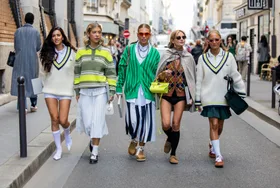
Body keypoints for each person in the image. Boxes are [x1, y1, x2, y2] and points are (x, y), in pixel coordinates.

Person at [195, 29, 246, 168]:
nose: (214, 42)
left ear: (220, 40)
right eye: (211, 40)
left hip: (224, 97)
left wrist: (241, 91)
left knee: (220, 125)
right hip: (208, 97)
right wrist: (197, 99)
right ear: (208, 42)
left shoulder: (229, 57)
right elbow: (199, 80)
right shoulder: (202, 58)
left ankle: (212, 143)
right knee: (214, 124)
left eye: (216, 39)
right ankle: (218, 156)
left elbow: (235, 75)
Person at [116, 24, 160, 162]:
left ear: (150, 35)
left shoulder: (155, 53)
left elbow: (158, 73)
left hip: (148, 92)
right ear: (137, 34)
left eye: (146, 34)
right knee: (132, 120)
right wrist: (118, 88)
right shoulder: (129, 50)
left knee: (145, 122)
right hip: (131, 90)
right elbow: (122, 68)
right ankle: (134, 139)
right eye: (141, 33)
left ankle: (141, 148)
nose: (143, 36)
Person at [74, 22, 116, 164]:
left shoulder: (106, 52)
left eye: (99, 32)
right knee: (87, 123)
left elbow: (111, 73)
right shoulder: (81, 52)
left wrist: (111, 91)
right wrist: (77, 90)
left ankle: (95, 151)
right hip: (85, 91)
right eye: (94, 32)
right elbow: (77, 72)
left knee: (97, 122)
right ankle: (93, 140)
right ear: (88, 34)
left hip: (100, 92)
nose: (97, 34)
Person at [156, 30, 196, 164]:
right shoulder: (166, 55)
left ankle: (173, 154)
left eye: (183, 37)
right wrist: (163, 74)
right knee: (166, 124)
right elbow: (158, 75)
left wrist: (193, 95)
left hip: (180, 95)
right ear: (173, 40)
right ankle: (170, 138)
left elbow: (192, 77)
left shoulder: (188, 57)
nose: (181, 39)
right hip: (166, 94)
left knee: (176, 124)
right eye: (178, 37)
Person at [40, 27, 76, 160]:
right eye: (53, 35)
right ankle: (58, 149)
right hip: (50, 90)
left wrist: (76, 88)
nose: (56, 38)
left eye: (58, 35)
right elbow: (42, 72)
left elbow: (76, 71)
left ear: (62, 37)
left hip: (66, 90)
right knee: (54, 119)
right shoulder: (47, 53)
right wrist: (43, 85)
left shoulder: (72, 53)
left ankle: (67, 132)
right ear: (51, 38)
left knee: (63, 120)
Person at [11, 12, 41, 112]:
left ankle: (22, 106)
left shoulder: (17, 31)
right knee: (34, 80)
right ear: (32, 20)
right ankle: (33, 105)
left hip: (19, 60)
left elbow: (15, 46)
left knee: (20, 82)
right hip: (32, 59)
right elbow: (38, 47)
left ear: (25, 20)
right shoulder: (36, 32)